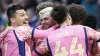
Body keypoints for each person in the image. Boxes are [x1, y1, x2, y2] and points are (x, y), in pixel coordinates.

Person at [32, 4, 100, 56]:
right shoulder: (84, 29)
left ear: (55, 20)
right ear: (69, 17)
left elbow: (34, 54)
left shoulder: (49, 38)